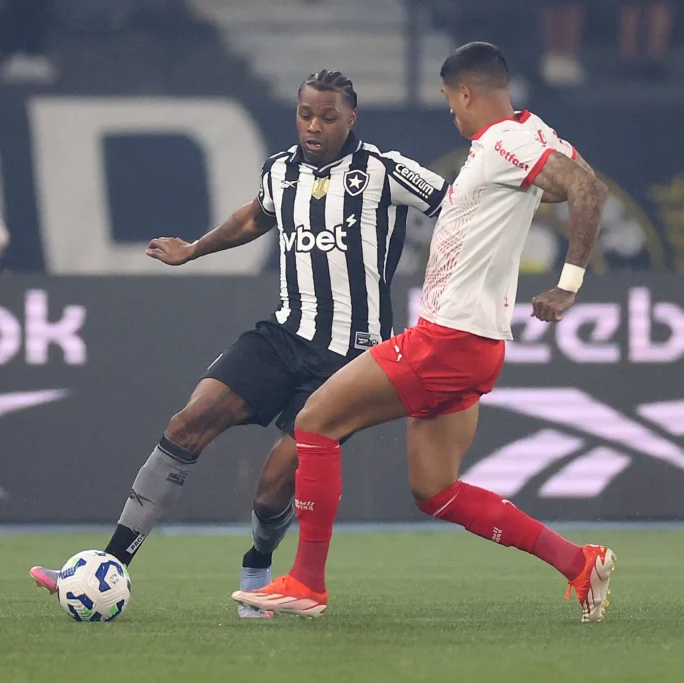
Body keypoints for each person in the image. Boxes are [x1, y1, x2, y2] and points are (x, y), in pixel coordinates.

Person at [29, 70, 449, 618]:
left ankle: (258, 565)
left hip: (348, 360)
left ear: (351, 118)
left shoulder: (385, 171)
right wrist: (193, 249)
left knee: (273, 485)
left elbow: (458, 209)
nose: (314, 126)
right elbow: (254, 217)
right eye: (305, 114)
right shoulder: (281, 170)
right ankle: (110, 563)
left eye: (327, 117)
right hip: (282, 336)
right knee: (189, 421)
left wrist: (461, 282)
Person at [232, 42, 616, 622]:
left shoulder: (504, 141)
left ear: (465, 92)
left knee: (314, 421)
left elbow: (588, 191)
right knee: (436, 491)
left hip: (449, 339)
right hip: (476, 343)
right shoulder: (533, 133)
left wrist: (568, 284)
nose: (451, 112)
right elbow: (573, 183)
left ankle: (306, 582)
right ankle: (578, 562)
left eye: (449, 100)